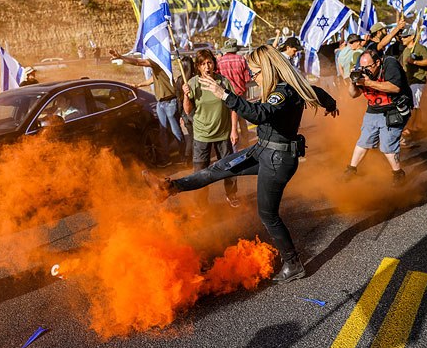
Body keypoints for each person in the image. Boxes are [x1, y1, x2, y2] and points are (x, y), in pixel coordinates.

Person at [142, 45, 338, 283]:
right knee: (218, 169)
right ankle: (169, 188)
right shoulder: (287, 88)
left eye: (255, 73)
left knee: (268, 214)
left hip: (277, 160)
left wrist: (225, 95)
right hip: (264, 150)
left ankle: (293, 264)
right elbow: (317, 92)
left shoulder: (283, 93)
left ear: (267, 68)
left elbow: (260, 114)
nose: (253, 78)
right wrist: (331, 105)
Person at [342, 48, 412, 187]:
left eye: (367, 67)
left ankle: (398, 173)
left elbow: (395, 88)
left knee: (387, 144)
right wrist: (353, 81)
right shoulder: (362, 70)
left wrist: (368, 83)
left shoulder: (390, 65)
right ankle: (351, 169)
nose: (364, 70)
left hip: (393, 109)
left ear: (378, 63)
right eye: (362, 67)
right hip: (373, 109)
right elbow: (353, 94)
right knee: (364, 140)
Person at [182, 49, 240, 208]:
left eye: (209, 62)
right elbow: (187, 111)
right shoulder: (193, 83)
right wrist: (186, 95)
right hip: (202, 135)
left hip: (223, 133)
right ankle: (200, 203)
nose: (207, 66)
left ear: (214, 64)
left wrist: (234, 130)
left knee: (230, 167)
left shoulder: (223, 82)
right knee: (200, 171)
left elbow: (233, 107)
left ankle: (232, 194)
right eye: (203, 64)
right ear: (198, 67)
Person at [109, 48, 185, 167]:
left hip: (169, 102)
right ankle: (166, 159)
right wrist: (138, 85)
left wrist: (121, 57)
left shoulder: (158, 62)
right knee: (162, 133)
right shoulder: (159, 67)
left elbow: (138, 62)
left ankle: (183, 157)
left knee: (175, 131)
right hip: (160, 103)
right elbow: (152, 80)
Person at [217, 38, 252, 149]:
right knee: (242, 121)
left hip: (225, 95)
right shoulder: (241, 59)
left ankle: (232, 147)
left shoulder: (220, 61)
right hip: (240, 94)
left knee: (229, 122)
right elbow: (247, 78)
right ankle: (246, 145)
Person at [400, 27, 427, 137]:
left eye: (405, 37)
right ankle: (418, 125)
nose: (402, 39)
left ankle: (409, 128)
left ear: (412, 36)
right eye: (402, 37)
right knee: (415, 105)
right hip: (408, 82)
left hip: (418, 81)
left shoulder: (420, 48)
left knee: (413, 106)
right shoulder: (405, 51)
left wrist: (415, 62)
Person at [174, 56, 196, 166]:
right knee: (194, 136)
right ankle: (191, 157)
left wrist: (181, 115)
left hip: (184, 112)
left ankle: (188, 158)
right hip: (194, 112)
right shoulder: (194, 79)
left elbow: (178, 100)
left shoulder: (179, 80)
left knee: (191, 136)